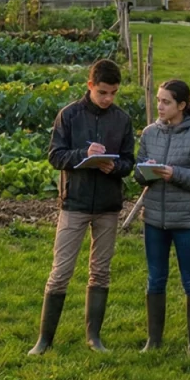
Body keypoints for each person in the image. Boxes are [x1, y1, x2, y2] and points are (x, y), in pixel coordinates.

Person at [28, 58, 136, 355]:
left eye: (113, 93)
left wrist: (114, 168)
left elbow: (129, 161)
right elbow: (55, 156)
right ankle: (44, 340)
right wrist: (83, 155)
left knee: (100, 271)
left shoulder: (122, 120)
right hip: (74, 203)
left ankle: (94, 338)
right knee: (60, 271)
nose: (108, 98)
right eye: (103, 92)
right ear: (90, 86)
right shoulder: (69, 116)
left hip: (108, 205)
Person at [132, 79, 190, 355]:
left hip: (188, 222)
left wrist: (175, 174)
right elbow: (137, 173)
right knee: (155, 278)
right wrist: (147, 171)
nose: (160, 106)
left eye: (166, 101)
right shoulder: (149, 133)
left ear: (182, 105)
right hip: (154, 218)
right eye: (158, 100)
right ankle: (153, 340)